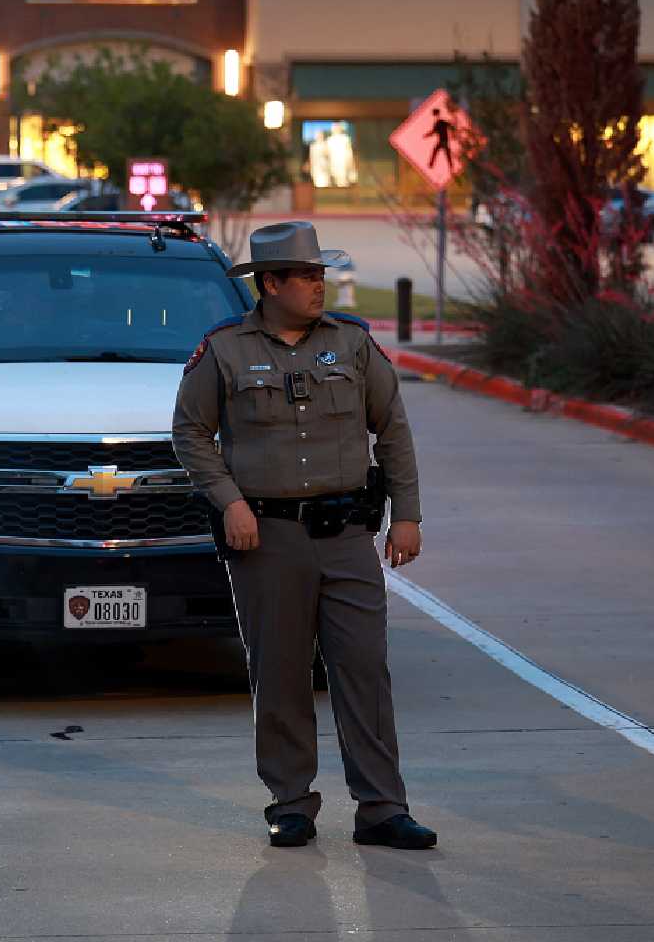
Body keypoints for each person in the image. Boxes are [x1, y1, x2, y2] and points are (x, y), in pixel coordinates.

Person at [171, 220, 437, 851]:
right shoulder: (224, 350)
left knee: (364, 669)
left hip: (346, 534)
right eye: (308, 276)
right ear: (270, 284)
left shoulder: (352, 343)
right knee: (282, 672)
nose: (321, 286)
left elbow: (392, 429)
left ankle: (381, 808)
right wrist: (230, 502)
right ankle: (290, 802)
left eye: (322, 274)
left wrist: (406, 514)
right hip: (267, 538)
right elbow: (190, 433)